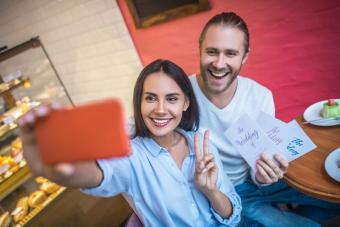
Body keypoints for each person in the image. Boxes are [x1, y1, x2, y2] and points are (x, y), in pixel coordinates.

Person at [18, 59, 242, 226]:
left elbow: (233, 216)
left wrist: (211, 191)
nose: (161, 109)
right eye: (150, 98)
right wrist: (61, 170)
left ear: (185, 103)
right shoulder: (132, 155)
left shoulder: (201, 142)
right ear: (139, 103)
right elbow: (100, 174)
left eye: (171, 99)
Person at [190, 12, 340, 227]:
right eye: (212, 52)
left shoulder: (260, 95)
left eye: (230, 53)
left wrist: (262, 174)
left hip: (260, 182)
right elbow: (142, 121)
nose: (219, 63)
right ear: (200, 49)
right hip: (225, 192)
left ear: (245, 56)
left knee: (334, 199)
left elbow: (259, 157)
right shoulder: (180, 94)